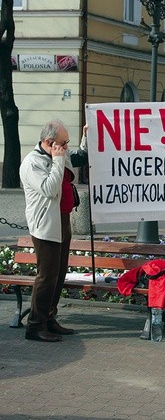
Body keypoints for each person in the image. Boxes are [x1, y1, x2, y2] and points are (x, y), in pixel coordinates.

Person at [20, 120, 88, 342]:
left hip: (62, 219)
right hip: (46, 226)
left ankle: (49, 318)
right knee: (47, 276)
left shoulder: (58, 153)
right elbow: (50, 189)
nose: (66, 148)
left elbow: (77, 159)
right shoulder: (32, 163)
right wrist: (58, 161)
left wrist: (86, 139)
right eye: (63, 143)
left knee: (59, 274)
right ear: (49, 142)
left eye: (67, 143)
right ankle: (35, 325)